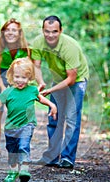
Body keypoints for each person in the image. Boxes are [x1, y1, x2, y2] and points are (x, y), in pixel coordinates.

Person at [0, 57, 57, 182]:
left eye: (24, 78)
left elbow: (42, 99)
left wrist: (52, 105)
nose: (20, 80)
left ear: (29, 77)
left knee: (24, 146)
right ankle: (13, 171)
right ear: (12, 76)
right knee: (12, 151)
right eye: (17, 77)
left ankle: (24, 169)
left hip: (27, 125)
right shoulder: (8, 92)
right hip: (10, 128)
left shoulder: (32, 90)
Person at [31, 15, 89, 169]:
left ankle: (67, 158)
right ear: (43, 30)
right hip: (58, 80)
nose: (50, 35)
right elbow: (36, 66)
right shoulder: (38, 43)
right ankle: (52, 157)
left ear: (61, 31)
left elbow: (71, 79)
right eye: (47, 31)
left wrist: (49, 90)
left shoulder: (69, 47)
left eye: (54, 31)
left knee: (71, 118)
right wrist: (41, 83)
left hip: (76, 81)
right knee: (54, 117)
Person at [0, 18, 30, 162]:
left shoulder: (25, 48)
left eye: (14, 30)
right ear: (3, 32)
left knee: (18, 109)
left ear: (19, 33)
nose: (10, 33)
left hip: (18, 75)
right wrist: (4, 89)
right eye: (7, 30)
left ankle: (19, 149)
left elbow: (27, 69)